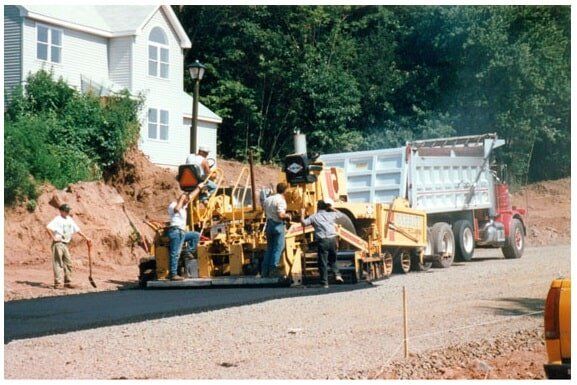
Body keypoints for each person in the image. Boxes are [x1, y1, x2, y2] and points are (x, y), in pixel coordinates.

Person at [301, 198, 345, 288]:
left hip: (322, 240)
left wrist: (302, 213)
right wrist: (332, 208)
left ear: (318, 207)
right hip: (333, 239)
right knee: (333, 259)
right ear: (326, 207)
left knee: (323, 262)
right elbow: (341, 215)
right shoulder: (331, 215)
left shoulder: (314, 216)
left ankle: (324, 283)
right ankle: (337, 275)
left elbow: (303, 223)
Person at [46, 204, 91, 289]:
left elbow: (77, 230)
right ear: (61, 211)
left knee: (68, 263)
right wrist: (53, 238)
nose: (67, 212)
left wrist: (86, 237)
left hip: (65, 244)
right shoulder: (57, 219)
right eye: (66, 211)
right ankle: (58, 283)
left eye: (68, 211)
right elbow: (48, 227)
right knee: (58, 263)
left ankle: (68, 282)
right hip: (58, 243)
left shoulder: (69, 219)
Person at [166, 186, 203, 281]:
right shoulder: (174, 205)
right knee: (175, 253)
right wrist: (182, 199)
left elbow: (191, 196)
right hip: (175, 231)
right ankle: (173, 274)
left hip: (182, 232)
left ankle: (188, 251)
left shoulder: (183, 206)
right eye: (185, 200)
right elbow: (176, 209)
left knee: (195, 235)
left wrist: (199, 187)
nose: (187, 202)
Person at [261, 182, 291, 278]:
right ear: (285, 190)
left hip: (269, 224)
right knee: (278, 248)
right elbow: (281, 215)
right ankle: (273, 269)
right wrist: (288, 216)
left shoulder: (268, 199)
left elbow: (264, 209)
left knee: (269, 248)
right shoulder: (281, 200)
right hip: (278, 225)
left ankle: (264, 271)